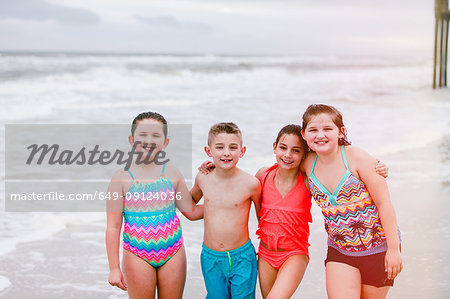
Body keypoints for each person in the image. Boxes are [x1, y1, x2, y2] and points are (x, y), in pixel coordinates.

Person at [199, 124, 389, 299]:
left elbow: (337, 177)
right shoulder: (262, 176)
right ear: (275, 147)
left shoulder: (307, 181)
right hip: (265, 254)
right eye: (283, 148)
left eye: (296, 150)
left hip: (294, 254)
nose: (288, 155)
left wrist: (375, 169)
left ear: (304, 154)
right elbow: (236, 185)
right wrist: (215, 167)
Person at [300, 104, 402, 299]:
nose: (320, 135)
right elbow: (281, 171)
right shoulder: (306, 164)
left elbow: (384, 204)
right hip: (340, 250)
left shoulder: (357, 158)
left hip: (378, 248)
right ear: (304, 135)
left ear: (341, 132)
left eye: (327, 129)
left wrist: (393, 249)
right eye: (313, 130)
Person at [105, 112, 203, 299]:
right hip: (137, 254)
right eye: (142, 135)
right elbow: (113, 225)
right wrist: (114, 268)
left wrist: (224, 203)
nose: (149, 140)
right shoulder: (121, 178)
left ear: (165, 142)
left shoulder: (173, 174)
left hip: (173, 251)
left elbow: (190, 210)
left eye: (156, 136)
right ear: (131, 139)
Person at [191, 122, 261, 299]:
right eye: (220, 147)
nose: (226, 153)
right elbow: (190, 204)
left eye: (233, 147)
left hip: (242, 257)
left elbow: (263, 219)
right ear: (209, 151)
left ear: (242, 151)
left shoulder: (250, 184)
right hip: (210, 257)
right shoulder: (203, 178)